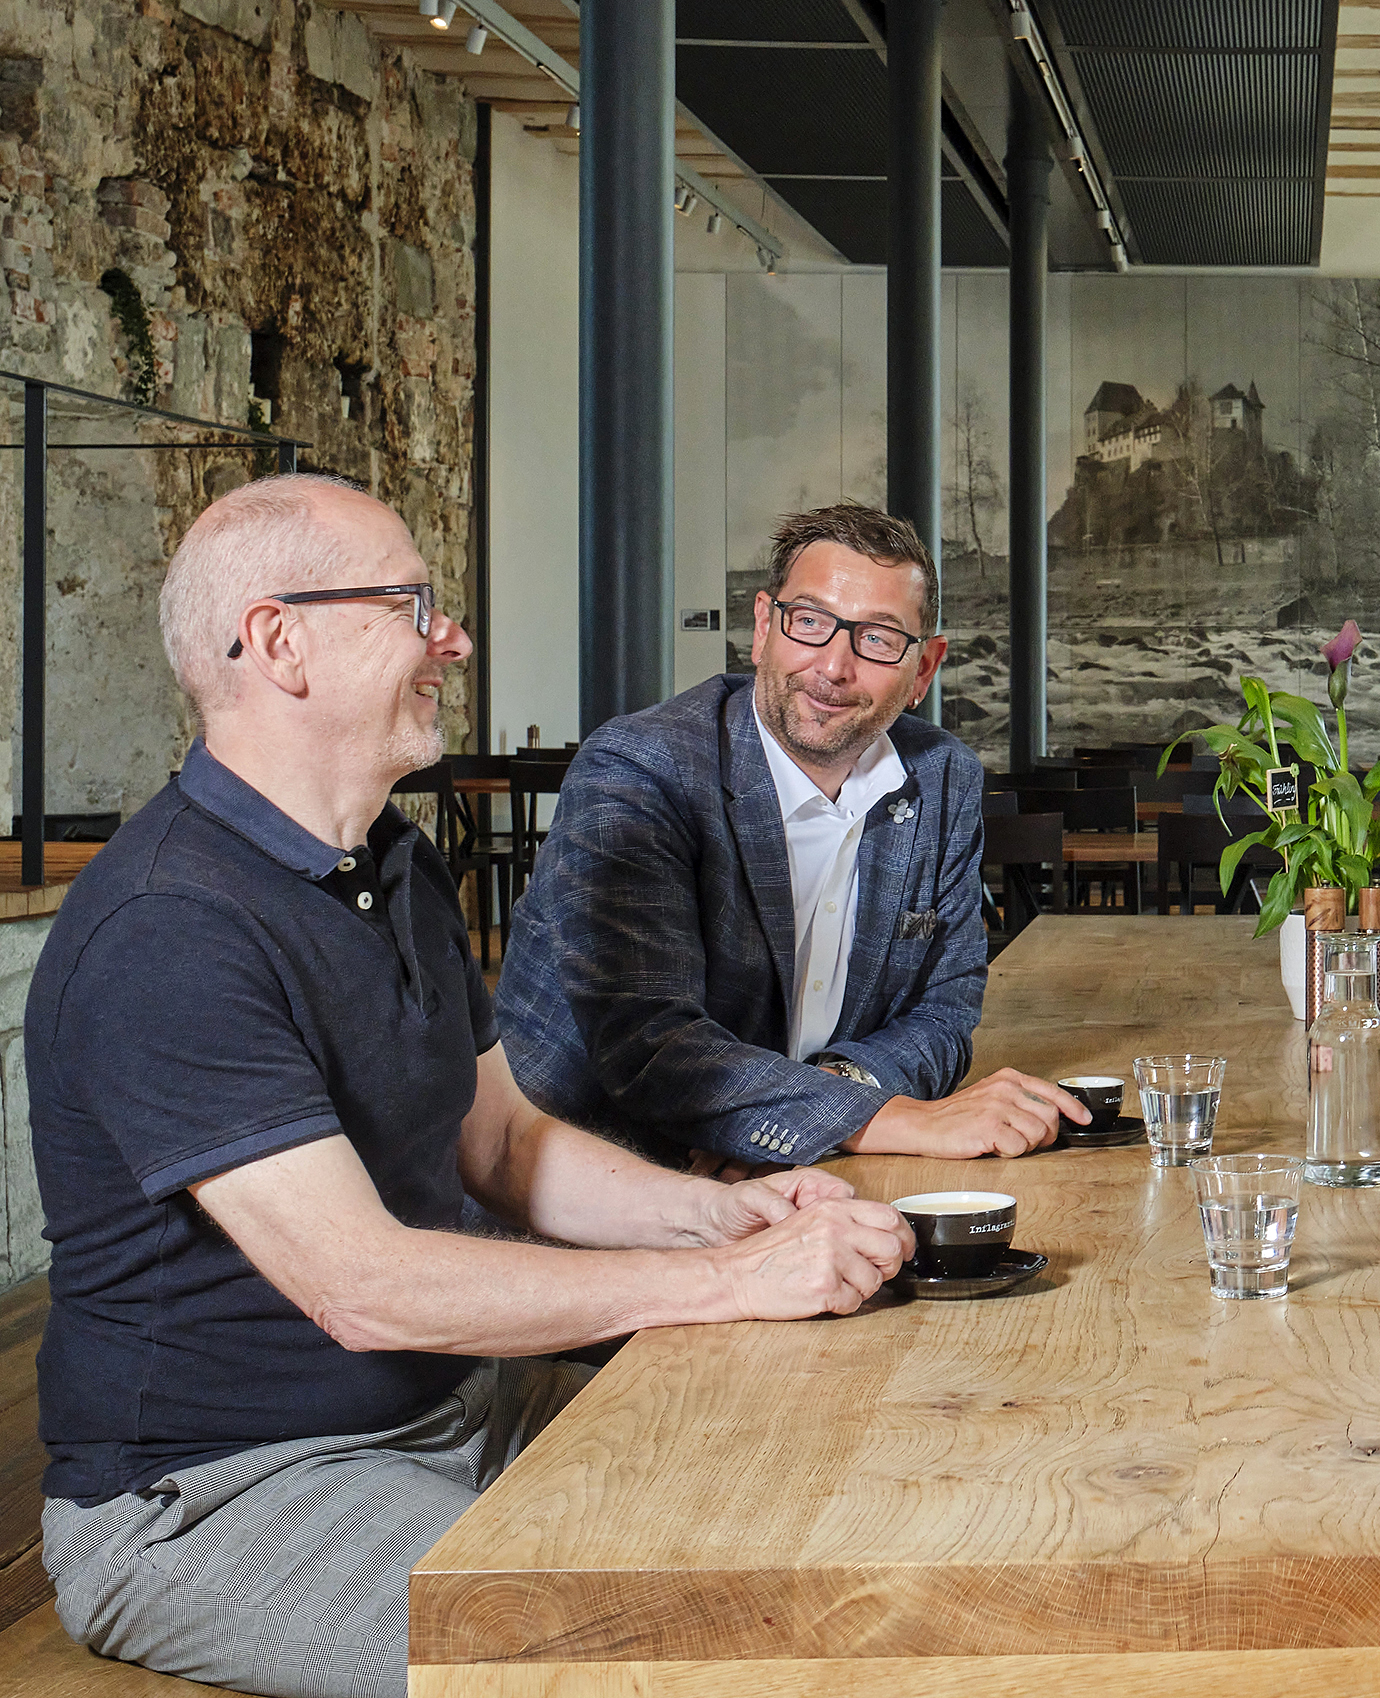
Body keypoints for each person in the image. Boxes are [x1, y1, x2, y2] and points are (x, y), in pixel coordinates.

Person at [29, 475, 910, 1698]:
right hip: (225, 1491)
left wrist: (735, 1214)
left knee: (837, 1482)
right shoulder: (169, 927)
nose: (455, 637)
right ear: (280, 641)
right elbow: (363, 1288)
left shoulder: (390, 859)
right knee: (659, 1661)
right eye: (413, 605)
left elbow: (500, 1141)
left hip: (454, 1411)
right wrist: (724, 1283)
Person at [498, 504, 1086, 1169]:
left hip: (792, 1179)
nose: (833, 666)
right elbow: (648, 1047)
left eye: (879, 638)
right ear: (761, 629)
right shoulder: (640, 771)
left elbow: (943, 1016)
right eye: (808, 622)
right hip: (577, 1190)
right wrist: (886, 1119)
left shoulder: (942, 777)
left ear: (924, 670)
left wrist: (822, 1108)